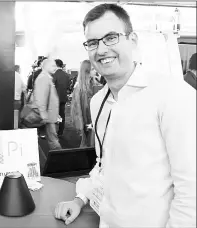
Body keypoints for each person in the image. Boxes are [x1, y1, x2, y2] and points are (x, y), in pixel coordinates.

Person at [55, 3, 195, 227]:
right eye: (92, 42)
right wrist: (80, 199)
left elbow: (191, 191)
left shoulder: (172, 95)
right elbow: (104, 167)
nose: (101, 50)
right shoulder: (98, 102)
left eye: (111, 37)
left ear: (133, 40)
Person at [29, 58, 62, 150]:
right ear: (45, 66)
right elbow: (41, 99)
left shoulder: (46, 77)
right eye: (52, 65)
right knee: (53, 140)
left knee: (52, 139)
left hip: (49, 115)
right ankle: (60, 160)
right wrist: (44, 115)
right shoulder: (44, 78)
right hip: (47, 116)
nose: (55, 67)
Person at [70, 60, 96, 148]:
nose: (95, 71)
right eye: (92, 69)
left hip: (93, 120)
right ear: (87, 71)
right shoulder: (81, 88)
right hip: (88, 121)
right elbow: (79, 109)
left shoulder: (92, 84)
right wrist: (83, 125)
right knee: (88, 144)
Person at [52, 59, 72, 137]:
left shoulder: (54, 75)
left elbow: (52, 87)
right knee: (62, 115)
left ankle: (53, 132)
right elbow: (68, 87)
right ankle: (60, 132)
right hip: (63, 98)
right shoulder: (67, 75)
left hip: (54, 99)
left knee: (53, 115)